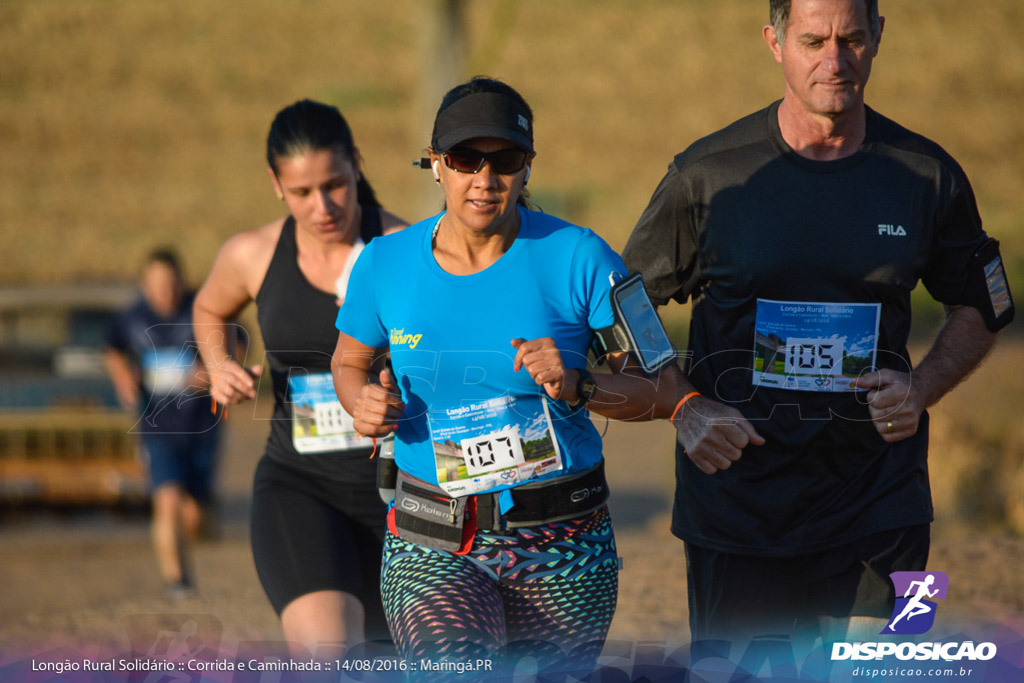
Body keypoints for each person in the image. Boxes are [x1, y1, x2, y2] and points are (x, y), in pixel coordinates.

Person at [622, 0, 1013, 649]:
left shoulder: (926, 175)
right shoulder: (710, 175)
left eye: (852, 39)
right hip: (736, 510)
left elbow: (986, 302)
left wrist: (924, 386)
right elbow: (621, 302)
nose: (835, 61)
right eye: (813, 40)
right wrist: (684, 404)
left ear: (878, 37)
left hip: (883, 502)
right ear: (774, 41)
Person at [333, 76, 672, 677]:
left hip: (562, 541)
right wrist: (362, 401)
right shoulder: (384, 263)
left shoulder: (583, 257)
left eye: (505, 161)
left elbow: (659, 389)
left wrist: (579, 383)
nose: (484, 179)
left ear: (527, 168)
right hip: (434, 537)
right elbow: (348, 361)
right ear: (436, 165)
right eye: (465, 159)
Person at [192, 99, 406, 659]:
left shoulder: (411, 251)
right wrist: (220, 367)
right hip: (301, 488)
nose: (323, 206)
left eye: (335, 184)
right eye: (302, 192)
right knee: (329, 655)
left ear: (357, 164)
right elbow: (210, 309)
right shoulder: (253, 254)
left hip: (407, 497)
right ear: (275, 185)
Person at [104, 248, 222, 599]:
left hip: (201, 427)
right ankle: (177, 580)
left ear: (181, 281)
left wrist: (217, 369)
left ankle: (189, 540)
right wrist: (122, 377)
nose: (165, 292)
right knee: (166, 498)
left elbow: (238, 341)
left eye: (171, 284)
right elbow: (112, 349)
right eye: (156, 285)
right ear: (144, 285)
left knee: (194, 514)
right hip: (157, 426)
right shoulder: (132, 318)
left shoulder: (201, 309)